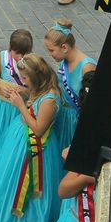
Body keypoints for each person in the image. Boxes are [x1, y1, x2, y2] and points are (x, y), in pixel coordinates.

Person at [0, 53, 62, 222]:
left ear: (37, 78)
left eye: (25, 78)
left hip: (35, 148)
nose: (22, 81)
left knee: (29, 184)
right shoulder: (38, 89)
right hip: (19, 140)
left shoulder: (49, 100)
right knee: (10, 180)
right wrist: (25, 93)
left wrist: (20, 106)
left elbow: (39, 130)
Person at [43, 20, 96, 153]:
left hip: (74, 122)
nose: (50, 54)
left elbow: (90, 104)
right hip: (61, 114)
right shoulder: (64, 60)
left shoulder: (87, 67)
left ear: (64, 47)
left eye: (51, 50)